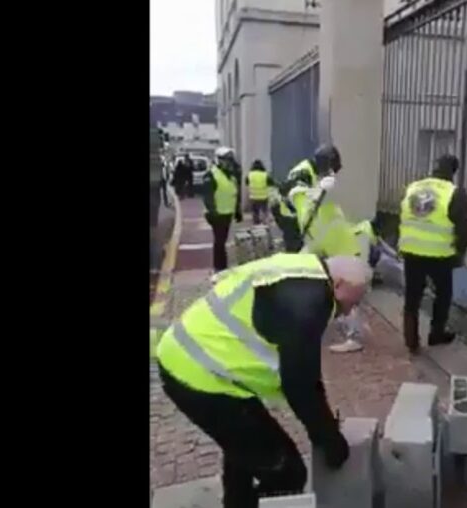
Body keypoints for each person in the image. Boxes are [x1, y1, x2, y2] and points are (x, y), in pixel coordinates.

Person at [155, 253, 371, 508]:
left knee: (245, 446)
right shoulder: (309, 304)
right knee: (286, 472)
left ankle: (237, 502)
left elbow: (305, 377)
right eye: (352, 301)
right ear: (338, 285)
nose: (349, 310)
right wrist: (330, 440)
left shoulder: (303, 270)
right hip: (198, 376)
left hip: (194, 360)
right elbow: (300, 386)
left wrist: (323, 428)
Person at [398, 154, 467, 355]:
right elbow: (464, 228)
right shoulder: (453, 192)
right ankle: (436, 333)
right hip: (440, 254)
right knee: (443, 293)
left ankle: (411, 340)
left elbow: (404, 215)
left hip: (411, 250)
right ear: (453, 172)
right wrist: (460, 251)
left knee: (412, 296)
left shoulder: (413, 187)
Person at [287, 144, 358, 259]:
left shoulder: (313, 174)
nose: (331, 174)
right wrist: (320, 190)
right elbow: (304, 208)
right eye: (330, 170)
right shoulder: (302, 173)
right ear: (324, 164)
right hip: (291, 222)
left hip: (301, 226)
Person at [328, 217, 383, 353]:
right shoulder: (364, 230)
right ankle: (353, 333)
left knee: (351, 302)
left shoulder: (357, 229)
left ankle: (355, 338)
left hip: (354, 268)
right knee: (353, 302)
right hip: (356, 266)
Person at [203, 147, 243, 272]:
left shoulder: (231, 176)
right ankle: (219, 267)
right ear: (219, 160)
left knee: (222, 241)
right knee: (219, 242)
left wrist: (237, 210)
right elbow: (208, 195)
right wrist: (212, 211)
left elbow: (234, 193)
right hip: (217, 214)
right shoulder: (212, 174)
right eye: (226, 160)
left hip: (227, 214)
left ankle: (222, 265)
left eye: (230, 161)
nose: (229, 163)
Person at [245, 160, 273, 225]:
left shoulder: (250, 175)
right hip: (264, 196)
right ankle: (265, 221)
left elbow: (246, 183)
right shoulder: (265, 175)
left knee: (255, 211)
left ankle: (256, 222)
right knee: (264, 210)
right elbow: (271, 183)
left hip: (253, 196)